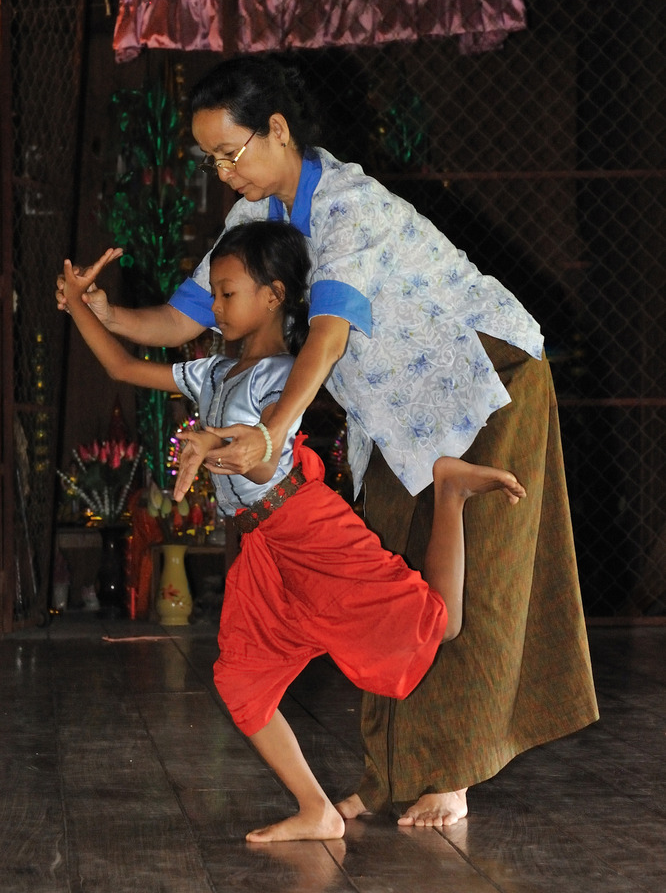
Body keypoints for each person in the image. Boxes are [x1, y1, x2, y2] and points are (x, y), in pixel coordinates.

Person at [57, 55, 598, 828]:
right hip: (400, 416)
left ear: (277, 130)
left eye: (232, 153)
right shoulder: (254, 223)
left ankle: (452, 773)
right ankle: (387, 775)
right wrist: (101, 313)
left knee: (475, 587)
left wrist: (268, 433)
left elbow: (330, 338)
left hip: (486, 377)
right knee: (379, 588)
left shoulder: (348, 205)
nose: (223, 172)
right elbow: (183, 323)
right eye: (211, 158)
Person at [60, 221, 526, 842]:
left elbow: (260, 455)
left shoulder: (281, 374)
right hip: (264, 548)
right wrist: (78, 308)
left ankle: (449, 490)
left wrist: (216, 447)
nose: (216, 308)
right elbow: (120, 365)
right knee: (240, 679)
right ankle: (317, 809)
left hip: (308, 527)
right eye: (215, 296)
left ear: (274, 295)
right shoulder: (214, 372)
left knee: (440, 625)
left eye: (228, 294)